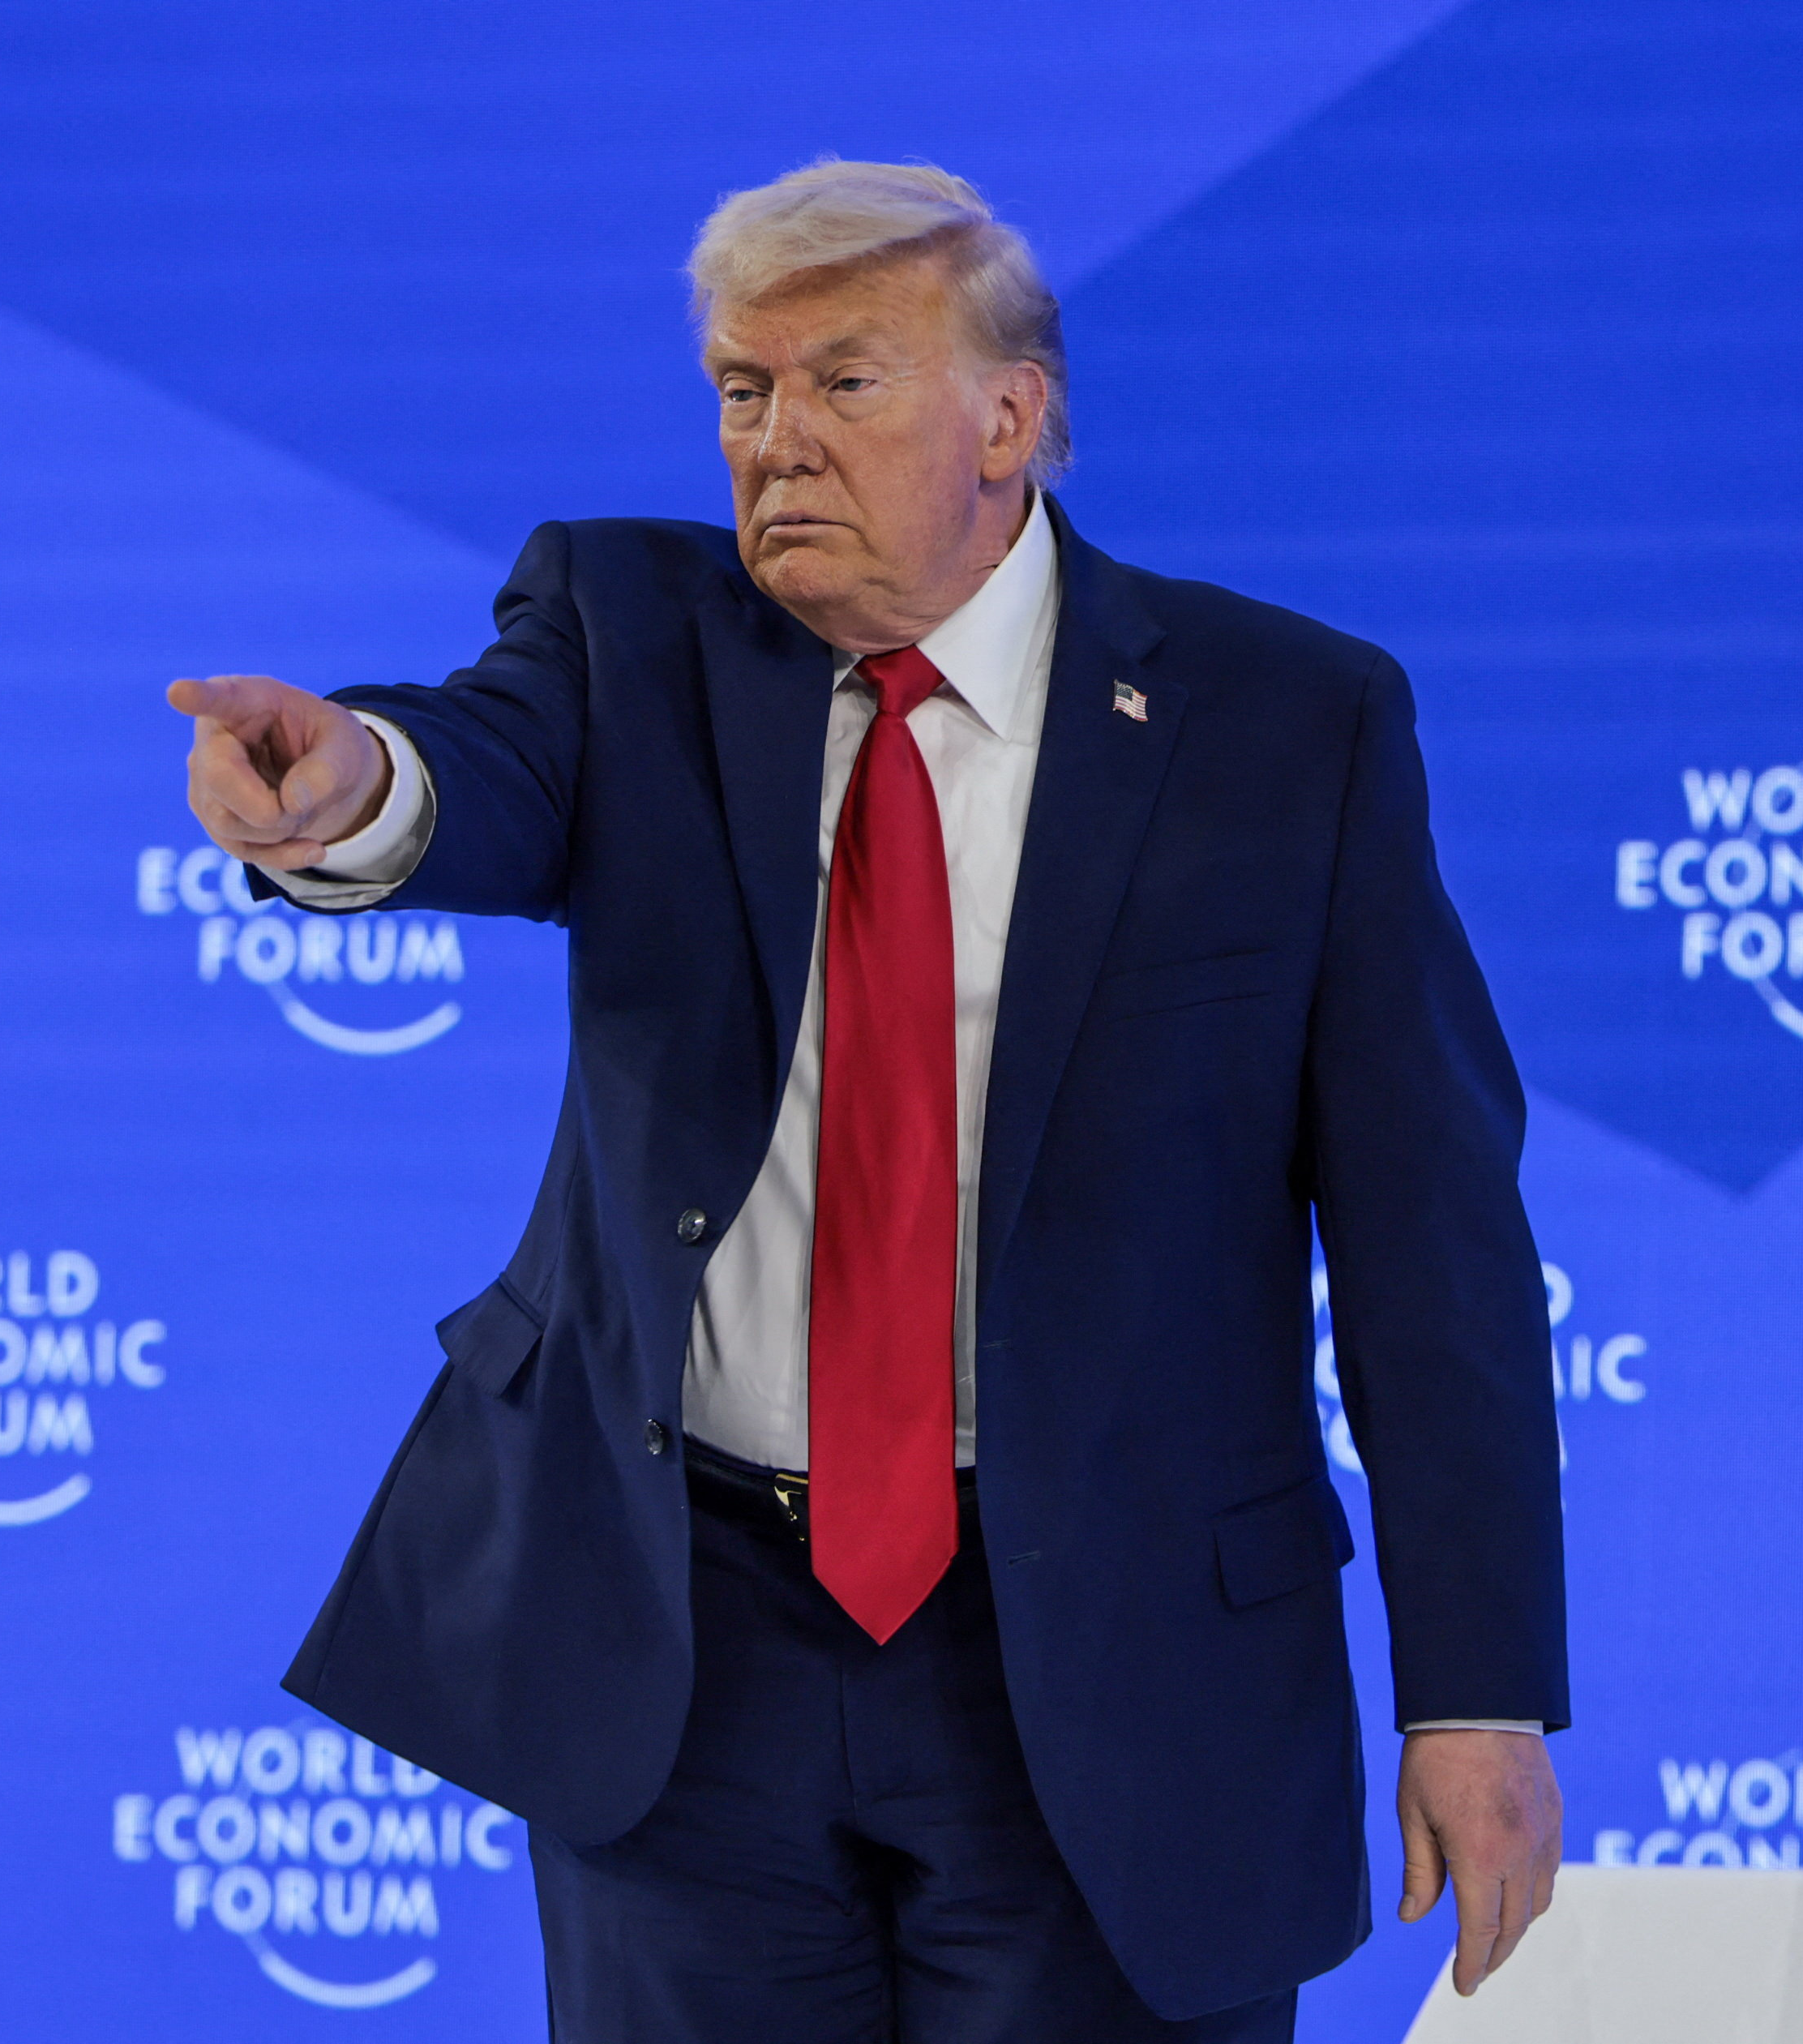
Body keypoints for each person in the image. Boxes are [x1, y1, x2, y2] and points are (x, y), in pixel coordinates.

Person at [172, 159, 1565, 2043]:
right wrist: (350, 791)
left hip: (1114, 1641)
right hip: (695, 1641)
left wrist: (1469, 1691)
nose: (777, 442)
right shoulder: (628, 632)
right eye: (741, 392)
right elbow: (470, 773)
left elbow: (1433, 1239)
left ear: (1013, 416)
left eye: (844, 381)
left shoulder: (1284, 724)